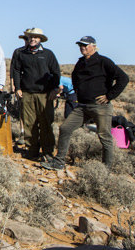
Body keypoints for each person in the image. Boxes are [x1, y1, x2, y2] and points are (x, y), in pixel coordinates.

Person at [43, 36, 128, 170]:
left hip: (100, 106)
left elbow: (123, 78)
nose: (82, 47)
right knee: (65, 128)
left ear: (94, 46)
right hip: (82, 106)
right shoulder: (81, 62)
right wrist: (78, 93)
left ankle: (106, 169)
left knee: (104, 136)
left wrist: (109, 96)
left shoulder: (104, 62)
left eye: (85, 45)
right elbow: (75, 78)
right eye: (80, 45)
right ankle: (59, 162)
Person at [10, 28, 60, 161]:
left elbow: (56, 72)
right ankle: (32, 151)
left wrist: (54, 90)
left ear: (40, 39)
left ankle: (48, 152)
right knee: (29, 123)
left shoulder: (48, 54)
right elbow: (16, 70)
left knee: (45, 123)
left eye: (36, 37)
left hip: (45, 95)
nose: (33, 39)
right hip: (26, 93)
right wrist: (18, 88)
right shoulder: (21, 54)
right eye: (31, 37)